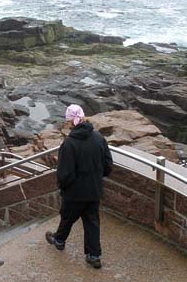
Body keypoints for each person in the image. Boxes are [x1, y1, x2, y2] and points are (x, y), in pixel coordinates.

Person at [45, 104, 113, 269]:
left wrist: (63, 187)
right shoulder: (98, 138)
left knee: (68, 217)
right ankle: (94, 255)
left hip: (74, 192)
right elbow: (108, 165)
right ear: (84, 117)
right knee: (92, 222)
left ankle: (59, 240)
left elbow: (64, 174)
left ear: (69, 122)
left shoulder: (69, 143)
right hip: (94, 190)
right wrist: (97, 178)